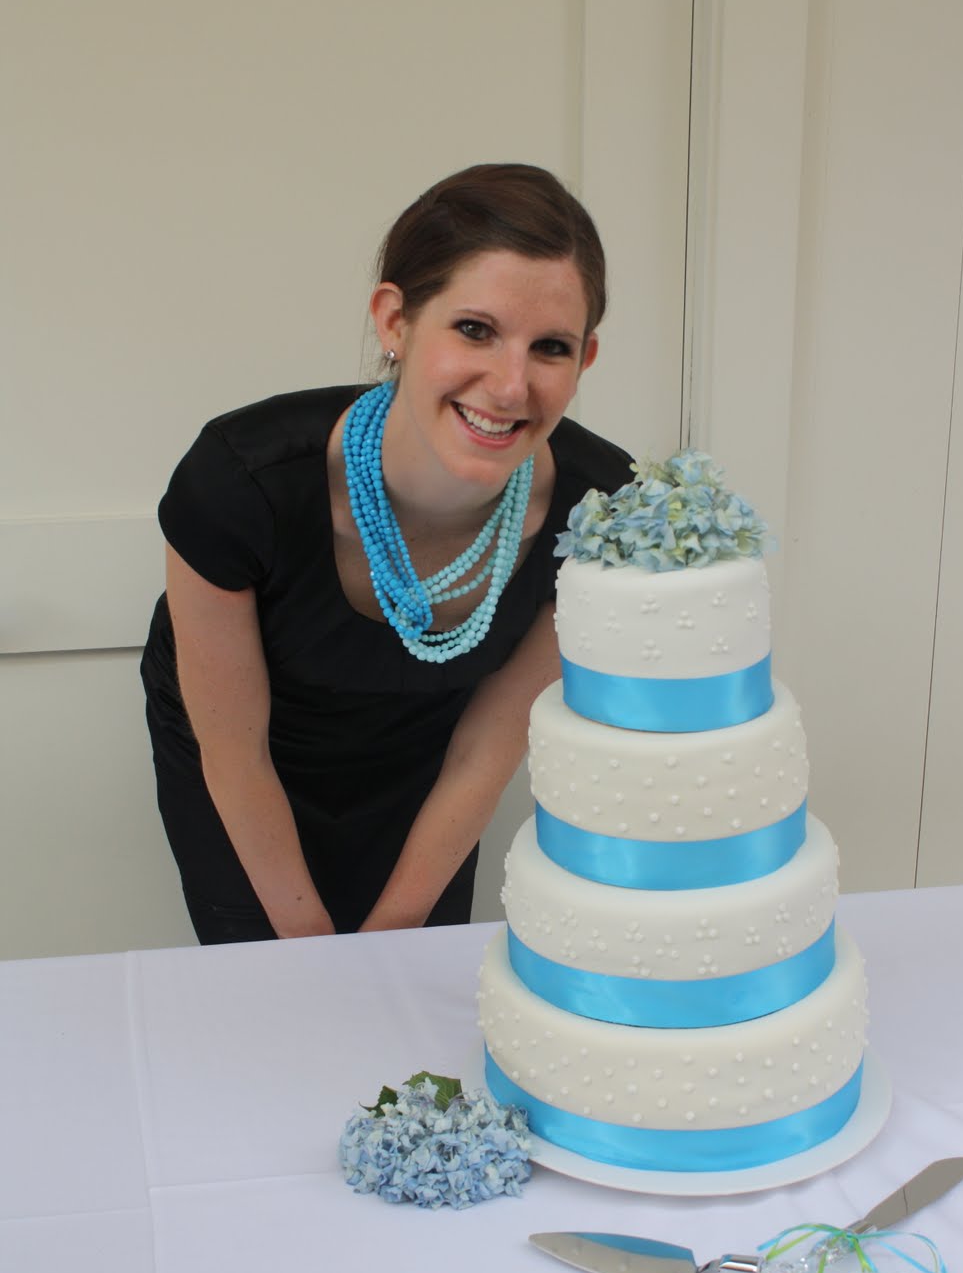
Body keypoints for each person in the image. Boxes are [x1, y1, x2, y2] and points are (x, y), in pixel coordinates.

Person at [141, 163, 634, 944]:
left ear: (586, 360)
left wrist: (391, 938)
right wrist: (310, 948)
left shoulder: (603, 512)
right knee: (267, 981)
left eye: (550, 348)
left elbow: (486, 748)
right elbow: (234, 756)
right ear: (395, 321)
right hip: (246, 751)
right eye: (474, 329)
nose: (510, 387)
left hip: (432, 753)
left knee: (408, 979)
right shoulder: (240, 482)